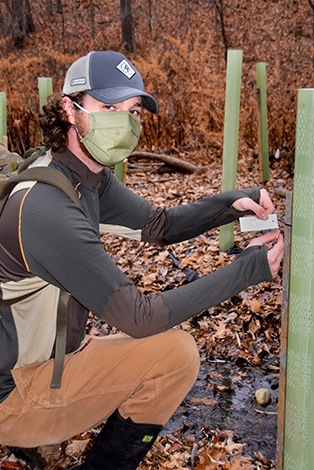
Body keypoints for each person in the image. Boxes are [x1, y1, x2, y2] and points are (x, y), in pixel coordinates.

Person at [0, 51, 284, 470]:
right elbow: (139, 317)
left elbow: (159, 225)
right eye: (109, 107)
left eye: (132, 110)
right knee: (175, 355)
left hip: (45, 358)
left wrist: (232, 205)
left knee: (167, 350)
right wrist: (249, 267)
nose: (124, 120)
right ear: (69, 108)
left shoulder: (83, 175)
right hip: (12, 393)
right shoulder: (46, 207)